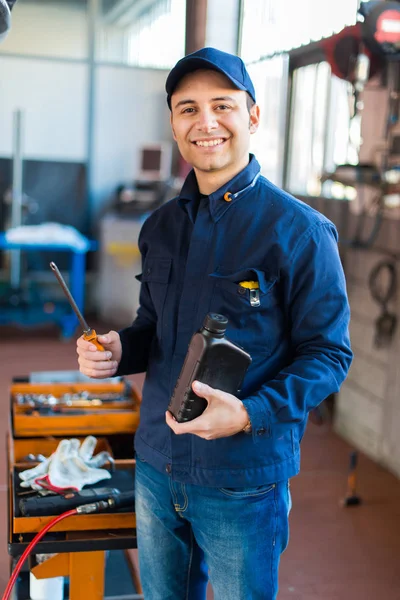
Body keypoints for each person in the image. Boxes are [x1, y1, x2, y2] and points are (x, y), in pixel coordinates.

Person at [77, 47, 353, 600]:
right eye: (188, 109)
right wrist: (116, 351)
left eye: (222, 105)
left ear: (252, 116)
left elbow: (329, 355)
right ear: (174, 124)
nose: (206, 123)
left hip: (242, 482)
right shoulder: (159, 226)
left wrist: (251, 412)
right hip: (155, 465)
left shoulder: (300, 232)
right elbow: (151, 326)